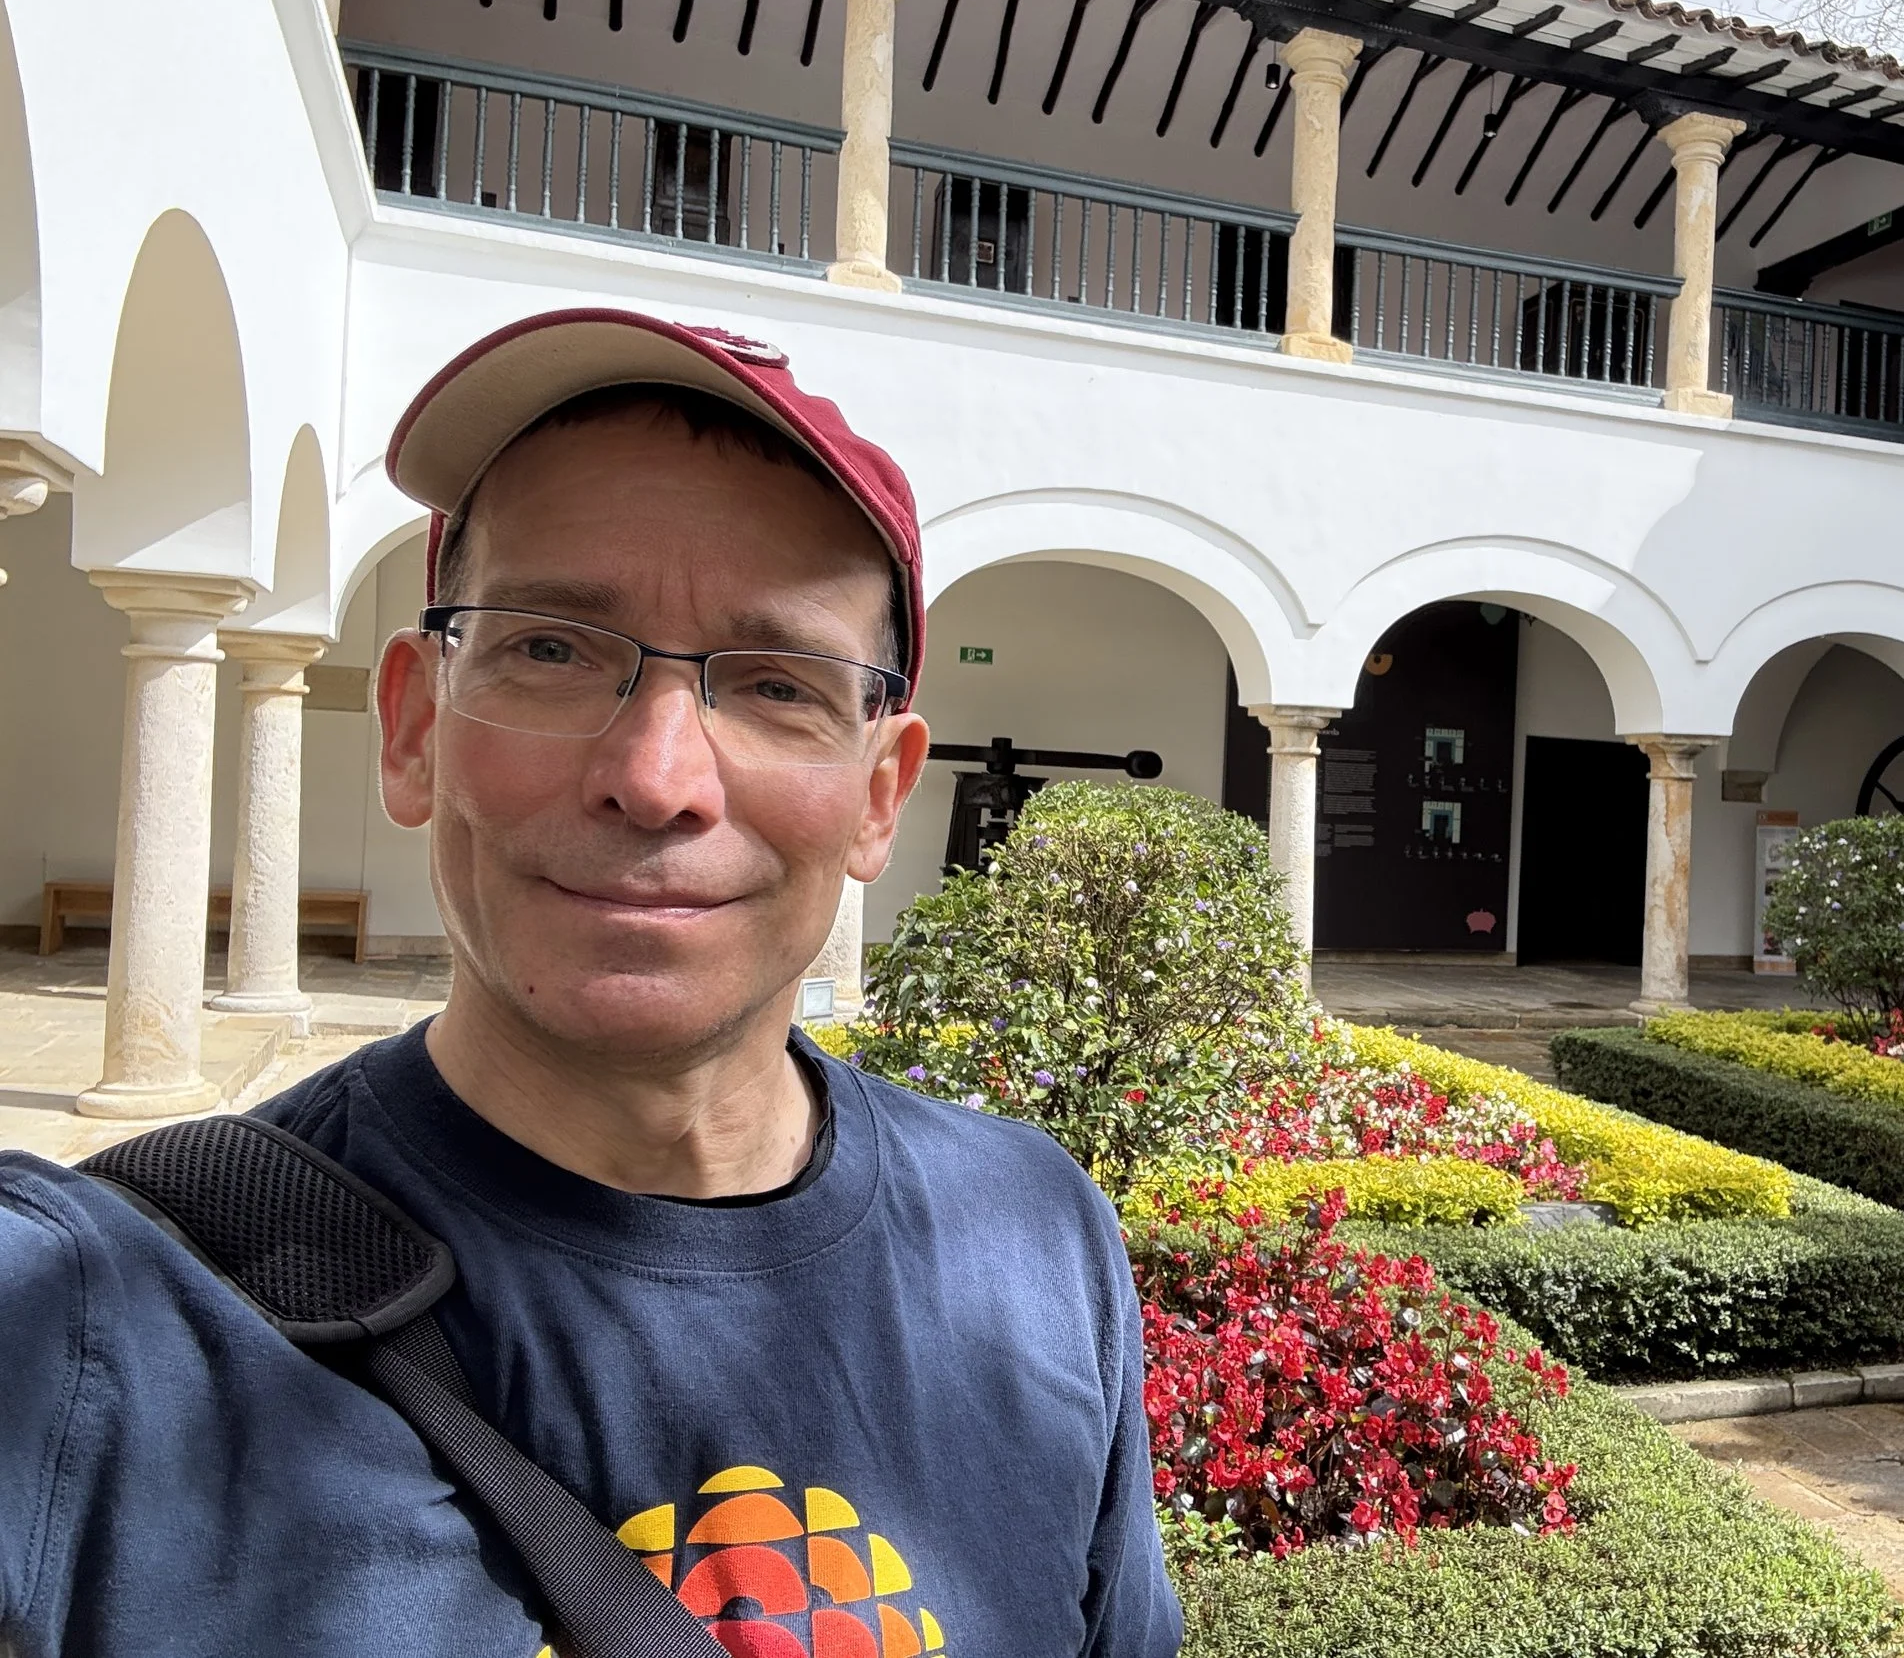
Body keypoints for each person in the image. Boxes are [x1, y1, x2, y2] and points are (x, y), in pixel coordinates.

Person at [0, 309, 1183, 1658]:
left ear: (880, 794)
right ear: (413, 728)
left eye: (777, 681)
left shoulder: (1034, 1240)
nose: (658, 776)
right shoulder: (106, 1320)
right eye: (551, 647)